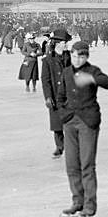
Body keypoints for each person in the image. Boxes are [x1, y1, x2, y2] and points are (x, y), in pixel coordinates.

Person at [56, 41, 108, 217]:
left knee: (87, 165)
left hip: (87, 122)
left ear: (86, 57)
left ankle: (89, 205)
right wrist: (63, 114)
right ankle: (77, 201)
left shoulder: (93, 71)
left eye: (80, 56)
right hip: (70, 121)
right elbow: (60, 96)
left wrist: (91, 79)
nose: (76, 60)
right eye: (74, 56)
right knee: (72, 165)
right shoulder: (66, 72)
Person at [41, 28, 72, 159]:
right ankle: (59, 147)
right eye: (64, 42)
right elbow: (45, 80)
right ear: (57, 43)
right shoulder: (48, 60)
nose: (66, 44)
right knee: (57, 125)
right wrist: (48, 97)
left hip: (69, 96)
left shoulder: (70, 58)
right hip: (55, 95)